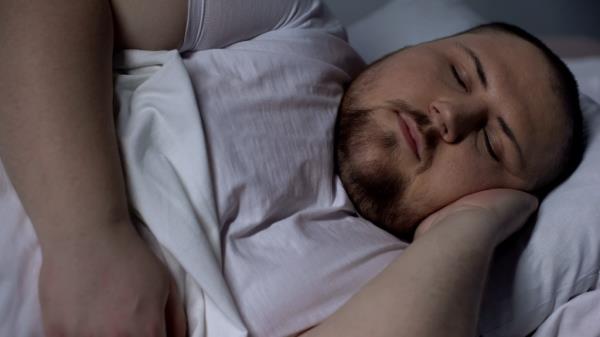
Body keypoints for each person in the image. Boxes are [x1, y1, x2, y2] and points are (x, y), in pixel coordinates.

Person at [0, 0, 584, 337]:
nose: (451, 115)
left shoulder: (396, 285)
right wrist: (88, 238)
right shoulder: (292, 24)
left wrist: (467, 231)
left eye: (492, 143)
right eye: (458, 73)